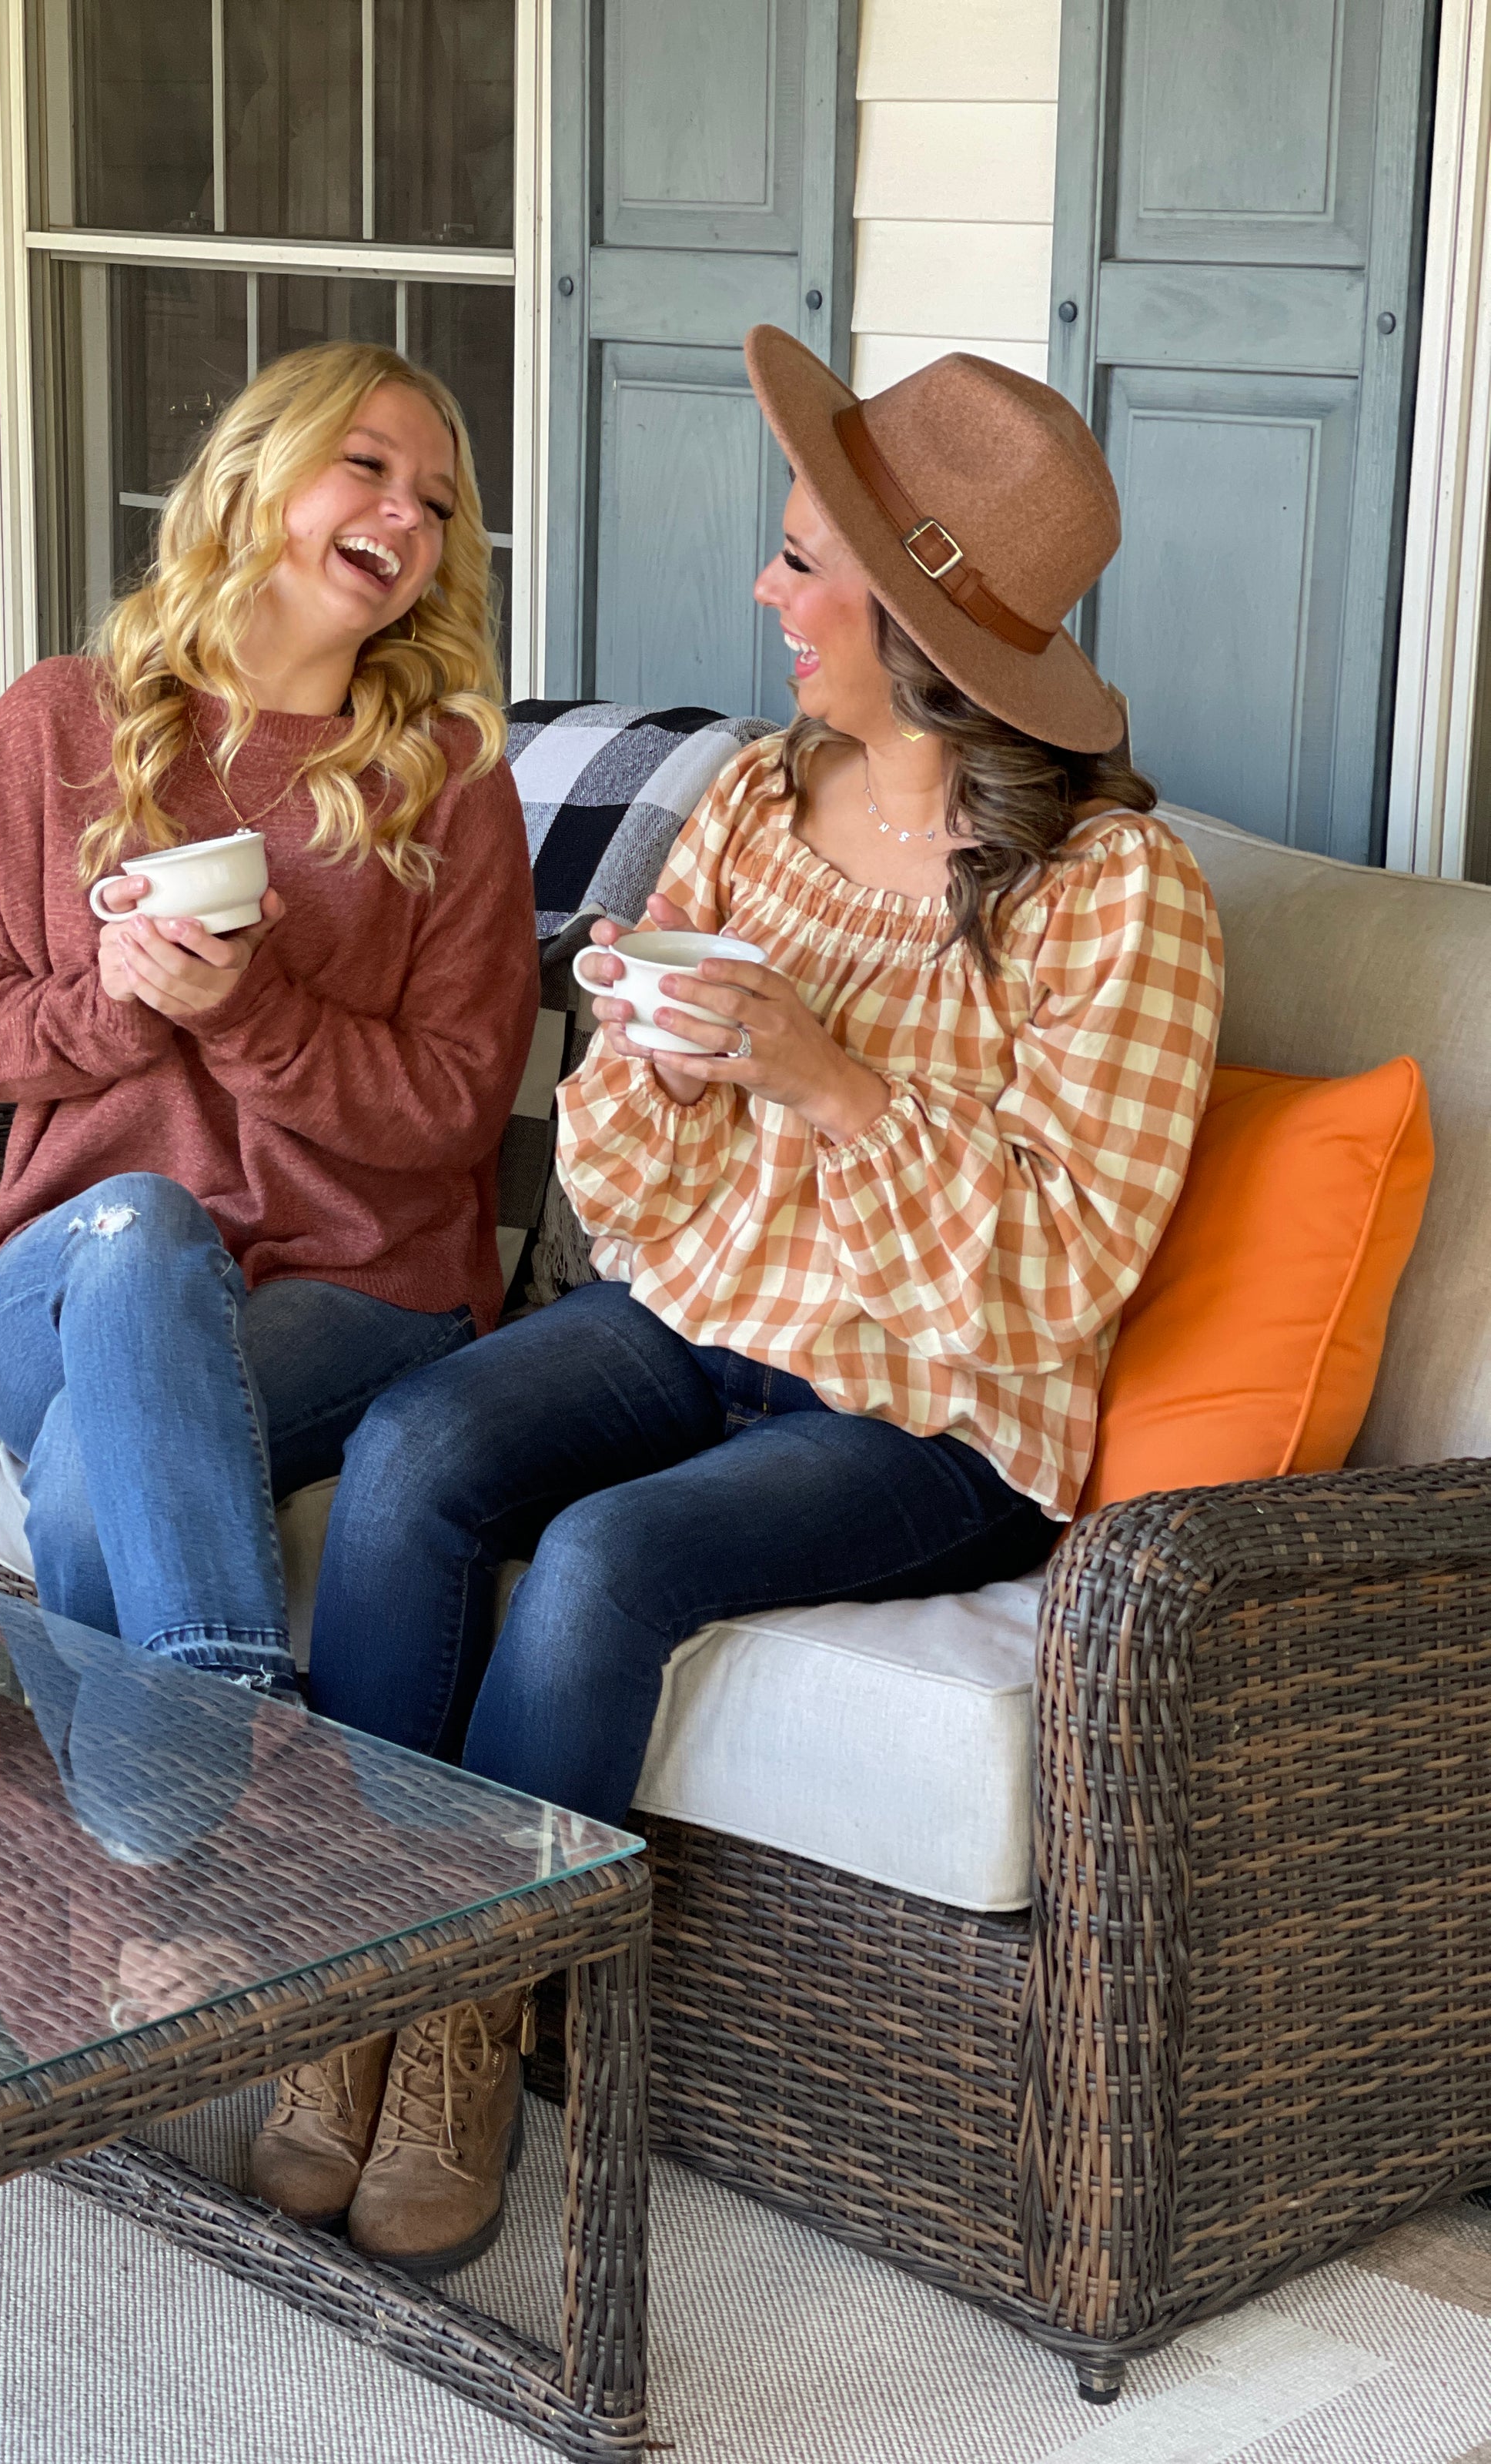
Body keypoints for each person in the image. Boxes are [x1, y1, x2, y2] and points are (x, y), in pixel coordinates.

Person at [279, 331, 1225, 2271]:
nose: (769, 593)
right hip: (702, 1314)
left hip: (934, 1415)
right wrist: (651, 1053)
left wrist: (830, 1083)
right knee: (416, 1443)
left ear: (922, 619)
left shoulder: (1123, 897)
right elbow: (637, 1202)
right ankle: (340, 1961)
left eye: (806, 561)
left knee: (608, 1559)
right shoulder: (756, 801)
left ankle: (465, 2024)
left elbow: (1056, 1278)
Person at [0, 340, 537, 1701]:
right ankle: (249, 1743)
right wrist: (120, 1005)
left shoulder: (448, 779)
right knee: (143, 1224)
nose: (408, 515)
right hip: (67, 1277)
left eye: (436, 502)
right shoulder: (59, 725)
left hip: (357, 1283)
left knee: (90, 1491)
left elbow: (455, 1105)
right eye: (367, 466)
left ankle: (180, 1812)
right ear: (254, 476)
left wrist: (247, 1011)